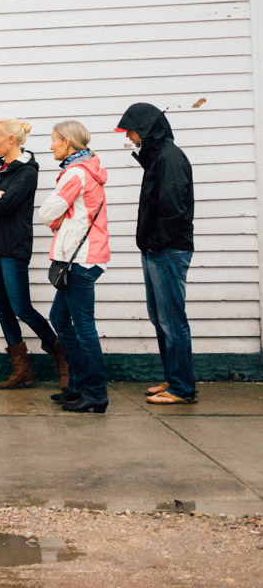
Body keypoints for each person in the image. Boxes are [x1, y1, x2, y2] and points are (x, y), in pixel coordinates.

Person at [0, 119, 67, 391]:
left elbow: (8, 204)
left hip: (13, 247)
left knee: (21, 307)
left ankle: (61, 356)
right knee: (1, 309)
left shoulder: (28, 170)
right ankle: (22, 370)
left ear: (11, 139)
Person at [116, 103, 197, 406]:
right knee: (160, 318)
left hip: (167, 251)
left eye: (133, 131)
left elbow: (173, 209)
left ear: (147, 128)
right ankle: (173, 378)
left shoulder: (170, 159)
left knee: (172, 321)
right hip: (156, 249)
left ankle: (182, 389)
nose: (131, 138)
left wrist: (157, 244)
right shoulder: (158, 157)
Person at [37, 120, 111, 414]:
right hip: (81, 259)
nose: (51, 145)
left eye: (54, 140)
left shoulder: (76, 174)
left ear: (67, 143)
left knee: (83, 329)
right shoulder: (86, 169)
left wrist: (58, 218)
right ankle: (79, 385)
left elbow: (47, 213)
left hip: (81, 260)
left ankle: (95, 393)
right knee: (60, 318)